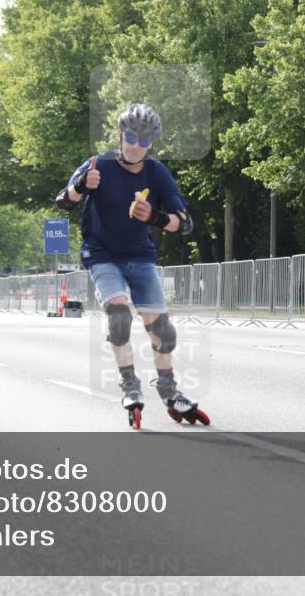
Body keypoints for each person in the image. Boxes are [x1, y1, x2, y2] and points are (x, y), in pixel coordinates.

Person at [55, 103, 208, 429]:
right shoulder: (98, 165)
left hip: (140, 257)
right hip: (102, 255)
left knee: (163, 332)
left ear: (152, 144)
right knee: (119, 316)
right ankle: (130, 387)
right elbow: (63, 201)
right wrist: (81, 185)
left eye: (145, 140)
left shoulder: (157, 172)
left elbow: (184, 224)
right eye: (131, 137)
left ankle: (169, 391)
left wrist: (154, 217)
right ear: (120, 134)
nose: (136, 145)